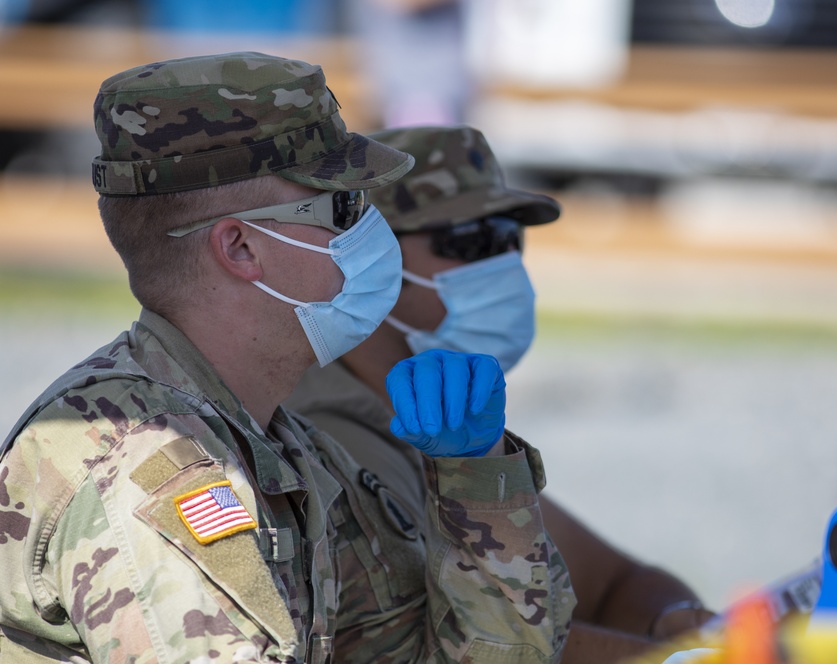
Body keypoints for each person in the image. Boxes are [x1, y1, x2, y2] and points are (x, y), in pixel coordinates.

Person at [0, 53, 575, 662]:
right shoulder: (150, 467)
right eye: (343, 207)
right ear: (242, 247)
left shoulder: (288, 447)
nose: (375, 230)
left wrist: (478, 475)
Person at [284, 125, 715, 663]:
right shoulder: (328, 430)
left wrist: (675, 621)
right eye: (471, 242)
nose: (504, 263)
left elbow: (614, 581)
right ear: (369, 253)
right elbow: (461, 639)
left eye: (513, 239)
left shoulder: (440, 415)